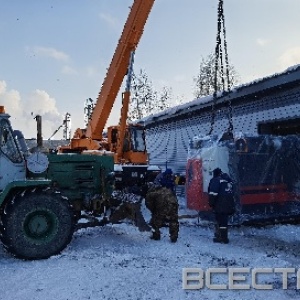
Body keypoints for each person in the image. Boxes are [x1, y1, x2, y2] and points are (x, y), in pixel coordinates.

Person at [145, 168, 179, 242]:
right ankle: (174, 237)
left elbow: (148, 202)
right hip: (173, 202)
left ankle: (156, 235)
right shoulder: (171, 184)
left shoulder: (154, 192)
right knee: (173, 220)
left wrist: (153, 210)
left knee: (155, 221)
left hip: (162, 204)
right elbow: (175, 187)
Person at [208, 168, 235, 244]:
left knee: (220, 220)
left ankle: (222, 238)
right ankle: (224, 237)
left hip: (220, 203)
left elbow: (213, 193)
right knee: (224, 220)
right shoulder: (228, 180)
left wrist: (211, 203)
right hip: (229, 203)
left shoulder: (216, 180)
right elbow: (233, 191)